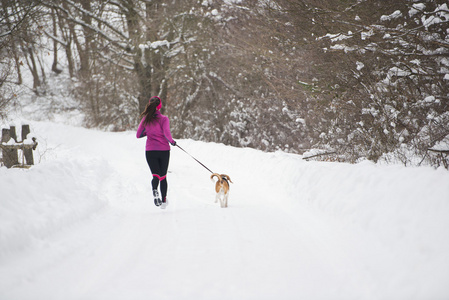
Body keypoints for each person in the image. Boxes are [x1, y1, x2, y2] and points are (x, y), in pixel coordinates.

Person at [136, 96, 176, 209]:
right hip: (163, 151)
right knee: (163, 177)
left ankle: (154, 190)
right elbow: (167, 134)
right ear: (160, 106)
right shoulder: (164, 119)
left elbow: (138, 135)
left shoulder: (145, 119)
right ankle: (163, 202)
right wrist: (172, 142)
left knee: (155, 175)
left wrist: (148, 133)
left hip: (150, 151)